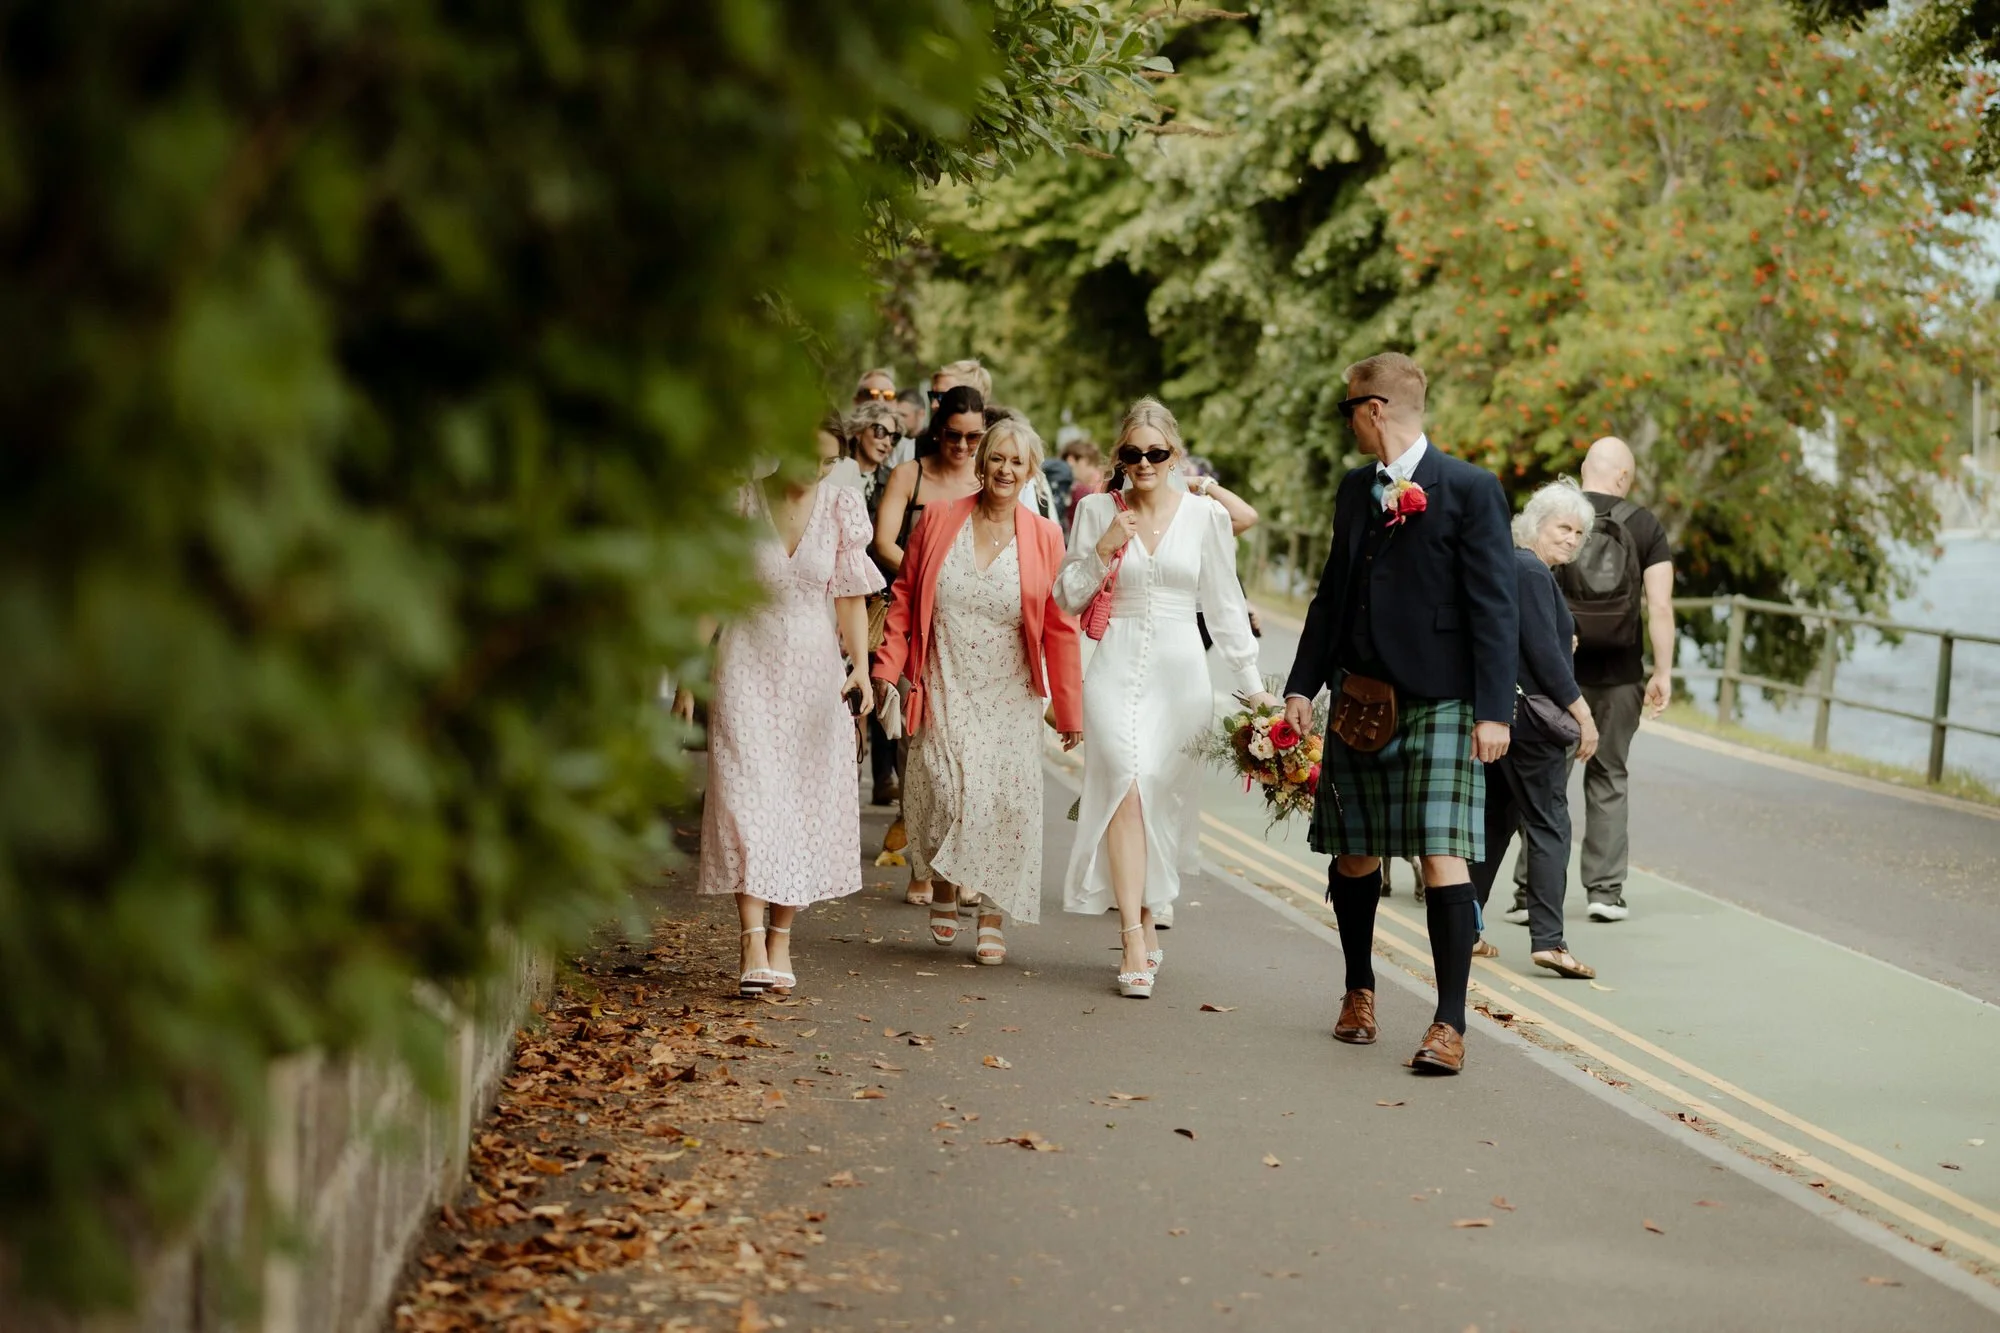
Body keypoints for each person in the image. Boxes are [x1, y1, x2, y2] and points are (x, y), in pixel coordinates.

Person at [1282, 352, 1517, 1075]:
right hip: (1360, 698)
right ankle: (1359, 990)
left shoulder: (1472, 489)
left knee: (1442, 854)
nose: (1346, 419)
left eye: (1347, 406)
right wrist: (1302, 684)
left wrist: (1493, 711)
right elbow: (1331, 593)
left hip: (1442, 700)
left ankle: (1449, 1023)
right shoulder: (1357, 491)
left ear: (1376, 408)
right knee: (1355, 852)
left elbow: (1494, 606)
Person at [1055, 398, 1275, 998]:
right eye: (1132, 453)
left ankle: (1149, 913)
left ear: (1174, 455)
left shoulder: (1203, 516)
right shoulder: (1097, 509)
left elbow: (1226, 606)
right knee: (1127, 781)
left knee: (1158, 799)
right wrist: (1102, 550)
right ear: (1118, 457)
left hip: (1182, 677)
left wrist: (1254, 690)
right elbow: (1068, 598)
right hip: (1116, 664)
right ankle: (1131, 934)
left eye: (1156, 452)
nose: (1144, 462)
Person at [871, 415, 1083, 965]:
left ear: (1030, 470)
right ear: (981, 463)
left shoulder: (1045, 536)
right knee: (943, 789)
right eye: (997, 458)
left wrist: (1068, 706)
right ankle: (943, 885)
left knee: (1002, 802)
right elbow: (904, 599)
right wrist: (887, 669)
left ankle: (990, 911)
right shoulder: (940, 519)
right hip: (946, 676)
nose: (1005, 469)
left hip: (1011, 688)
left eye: (1017, 461)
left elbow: (1059, 626)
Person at [689, 422, 883, 996]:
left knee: (801, 807)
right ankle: (750, 938)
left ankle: (780, 938)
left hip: (812, 672)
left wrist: (860, 668)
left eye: (827, 464)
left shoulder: (842, 508)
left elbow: (850, 595)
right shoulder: (742, 502)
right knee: (745, 799)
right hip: (745, 664)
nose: (814, 472)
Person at [1507, 436, 1674, 925]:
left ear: (1585, 469)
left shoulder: (1555, 515)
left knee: (1545, 779)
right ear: (1625, 477)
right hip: (1620, 674)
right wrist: (1661, 672)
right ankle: (1604, 892)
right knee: (1610, 775)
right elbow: (1659, 605)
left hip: (1556, 674)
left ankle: (1526, 893)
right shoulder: (1644, 524)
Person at [1468, 480, 1602, 978]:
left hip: (1504, 720)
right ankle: (1549, 941)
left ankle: (1466, 930)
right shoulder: (1529, 569)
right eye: (1562, 527)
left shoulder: (1515, 565)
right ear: (1535, 524)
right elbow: (1546, 657)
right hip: (1532, 724)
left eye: (1579, 532)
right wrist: (1584, 714)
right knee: (1550, 826)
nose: (1571, 538)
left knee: (1494, 826)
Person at [873, 385, 988, 905]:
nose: (962, 447)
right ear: (937, 431)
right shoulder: (910, 475)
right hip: (916, 614)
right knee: (914, 750)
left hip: (972, 631)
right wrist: (929, 583)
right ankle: (921, 862)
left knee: (967, 755)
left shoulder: (990, 481)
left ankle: (959, 863)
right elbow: (882, 542)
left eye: (973, 437)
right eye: (953, 435)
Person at [845, 400, 904, 805]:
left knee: (875, 677)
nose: (887, 441)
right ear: (860, 430)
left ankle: (879, 774)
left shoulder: (890, 482)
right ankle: (844, 763)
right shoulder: (834, 472)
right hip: (836, 589)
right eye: (881, 431)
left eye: (894, 436)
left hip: (877, 593)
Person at [888, 360, 994, 469]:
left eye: (943, 397)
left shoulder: (994, 456)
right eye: (933, 395)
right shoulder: (912, 451)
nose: (934, 405)